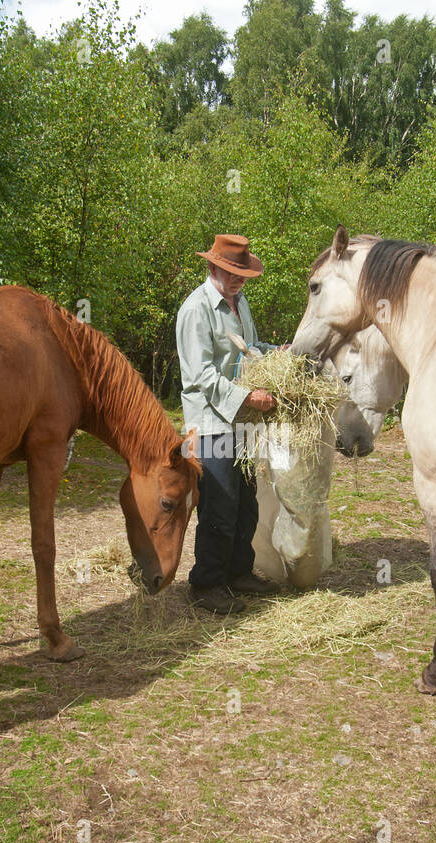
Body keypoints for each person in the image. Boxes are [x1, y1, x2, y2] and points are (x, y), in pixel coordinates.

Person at [176, 234, 280, 613]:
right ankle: (206, 584)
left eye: (242, 274)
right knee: (219, 506)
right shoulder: (196, 309)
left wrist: (276, 354)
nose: (239, 280)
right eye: (232, 272)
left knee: (246, 502)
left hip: (242, 424)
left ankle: (238, 572)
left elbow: (247, 350)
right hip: (210, 424)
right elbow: (201, 373)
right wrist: (247, 397)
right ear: (212, 267)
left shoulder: (240, 305)